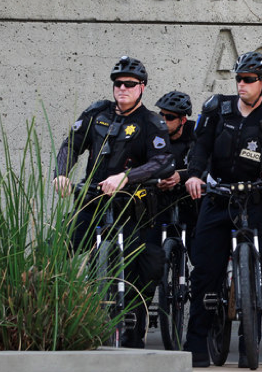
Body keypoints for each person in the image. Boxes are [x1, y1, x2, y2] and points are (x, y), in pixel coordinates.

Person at [53, 55, 174, 348]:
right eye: (118, 83)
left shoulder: (151, 122)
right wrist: (62, 174)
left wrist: (126, 177)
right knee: (59, 248)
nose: (122, 88)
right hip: (93, 199)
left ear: (142, 87)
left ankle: (132, 332)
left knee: (139, 268)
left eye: (129, 84)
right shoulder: (97, 112)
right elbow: (71, 144)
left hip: (131, 206)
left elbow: (162, 162)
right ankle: (50, 315)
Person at [183, 52, 262, 368]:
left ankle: (249, 348)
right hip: (217, 197)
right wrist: (194, 175)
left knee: (253, 272)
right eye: (238, 79)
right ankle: (197, 347)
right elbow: (200, 147)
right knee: (205, 273)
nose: (241, 84)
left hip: (253, 202)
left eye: (248, 79)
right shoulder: (216, 108)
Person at [150, 91, 199, 251]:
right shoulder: (153, 134)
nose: (163, 120)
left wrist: (181, 176)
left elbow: (205, 165)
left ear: (183, 120)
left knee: (201, 255)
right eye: (161, 115)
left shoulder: (196, 134)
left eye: (170, 117)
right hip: (160, 202)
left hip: (190, 202)